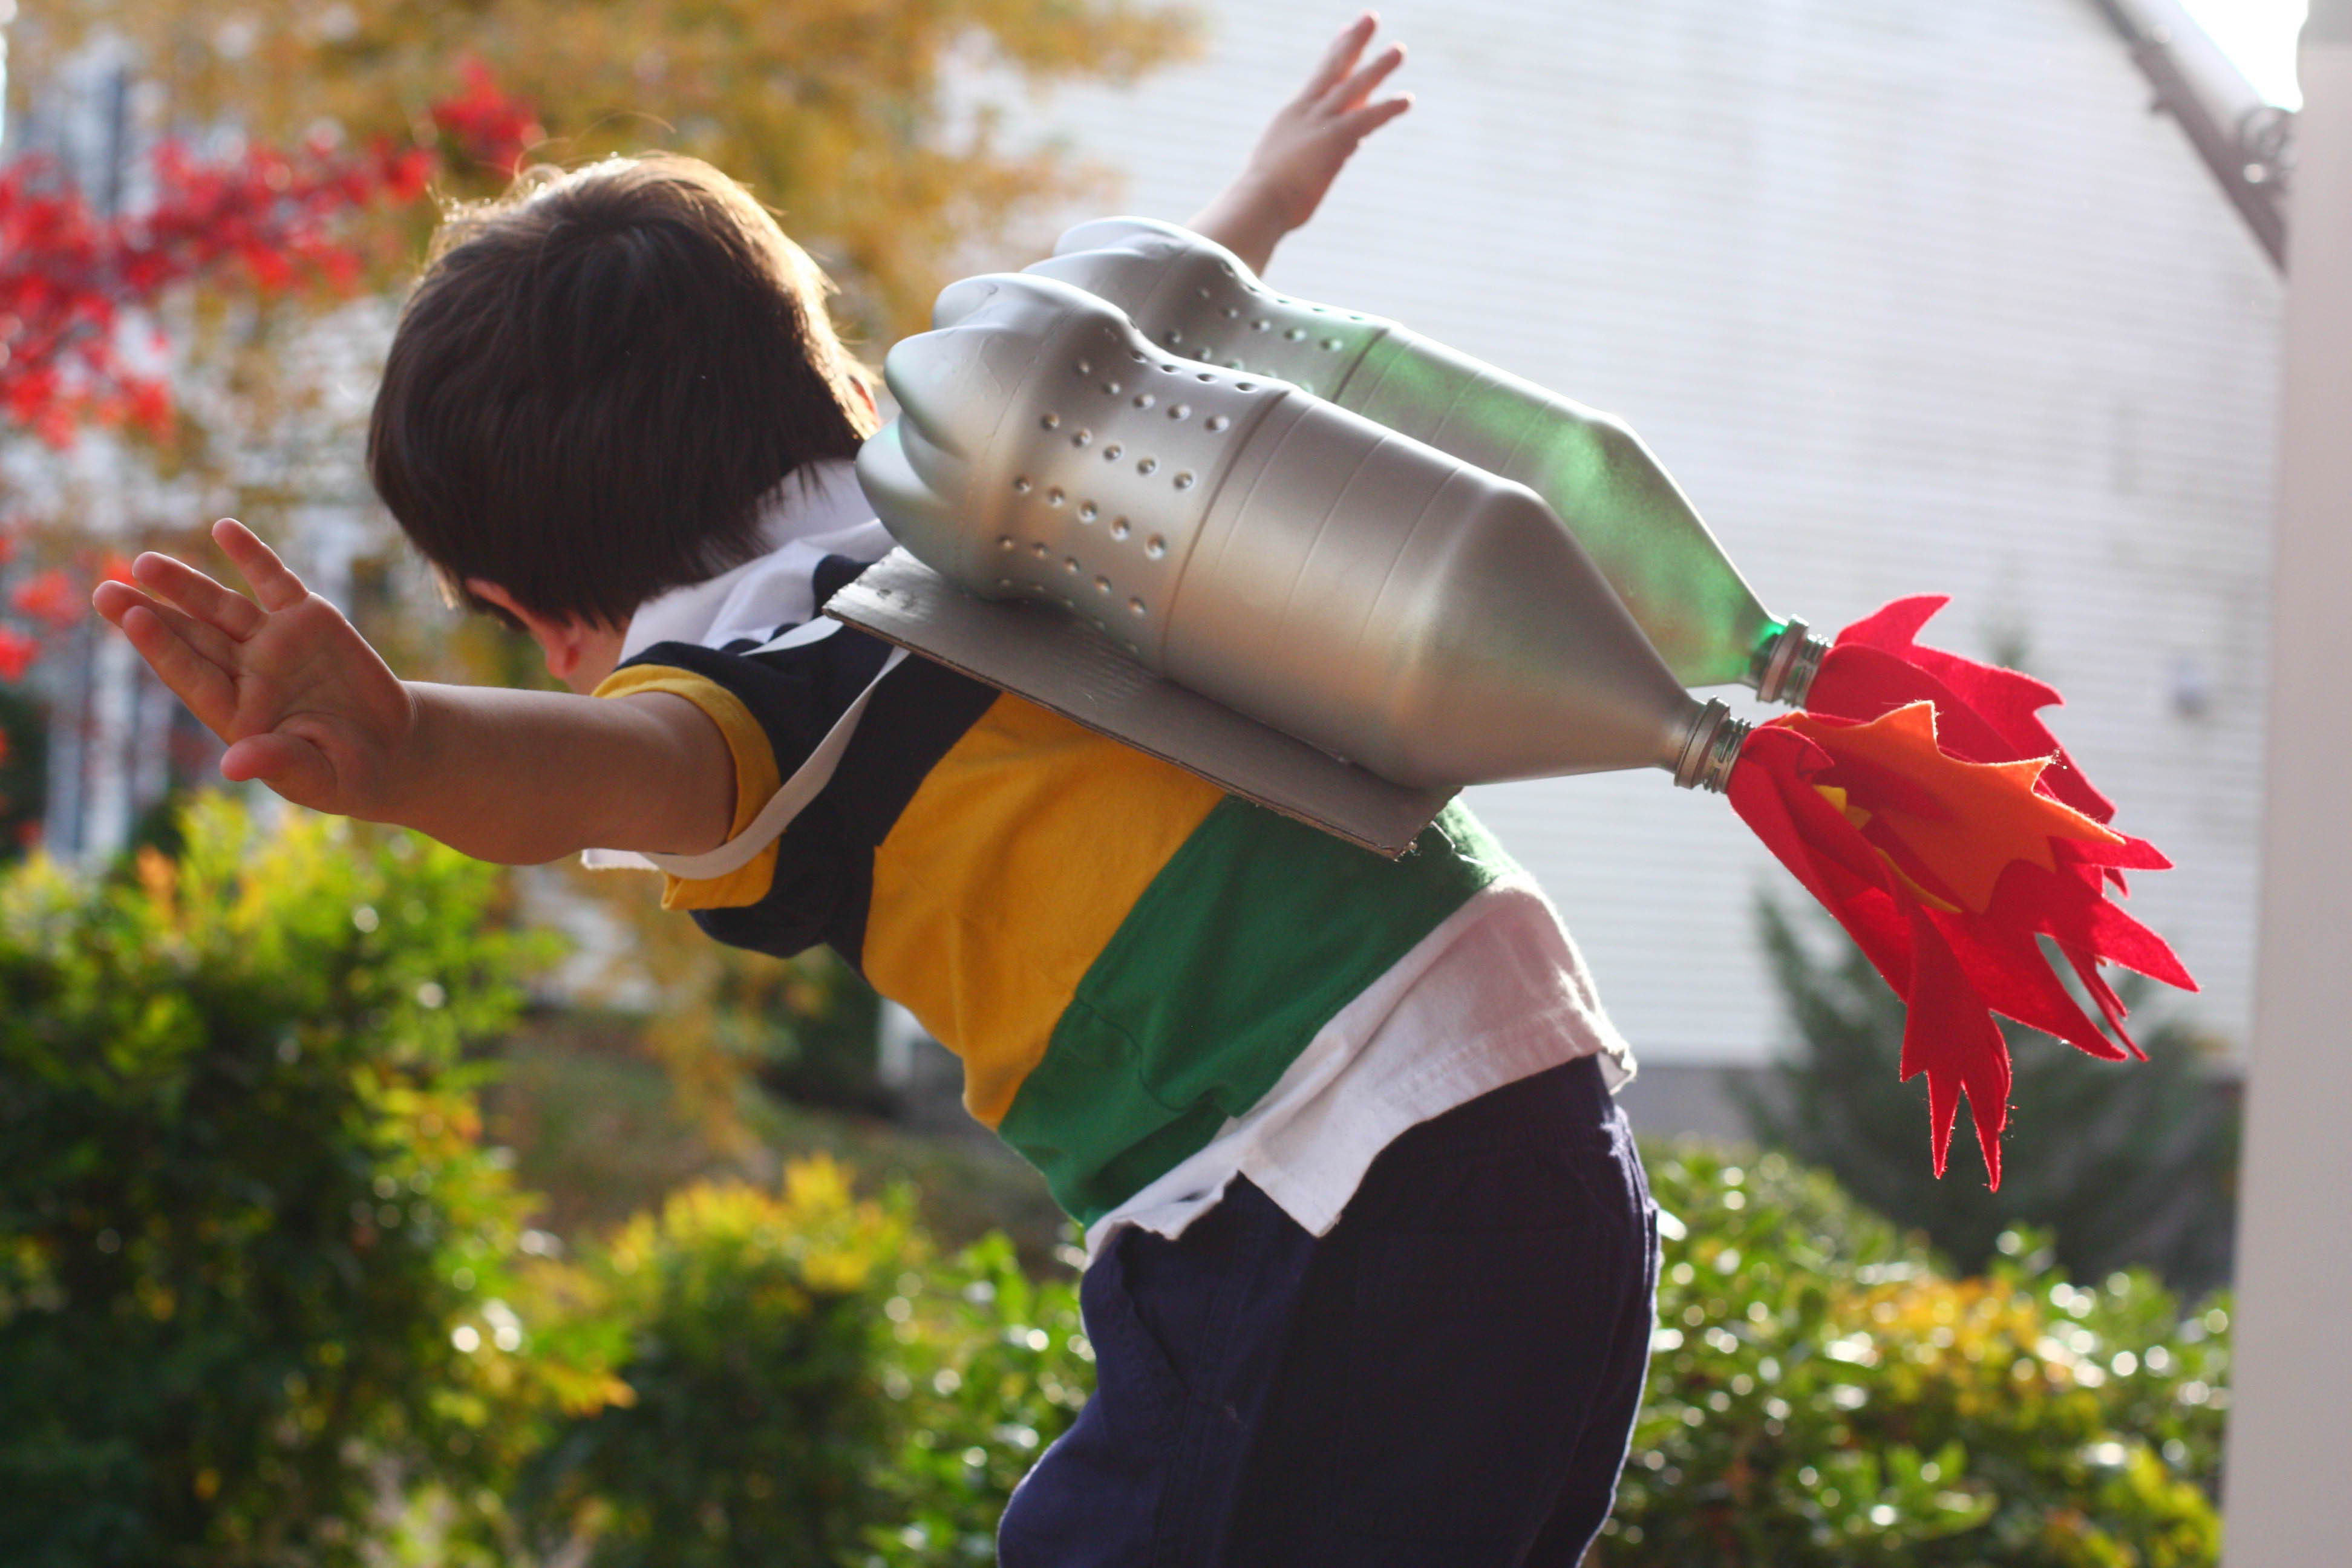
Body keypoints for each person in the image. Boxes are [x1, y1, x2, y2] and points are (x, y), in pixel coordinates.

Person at [94, 16, 1658, 1564]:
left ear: (541, 612)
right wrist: (1268, 188)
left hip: (1321, 1162)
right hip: (1540, 1089)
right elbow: (1145, 321)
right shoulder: (1002, 473)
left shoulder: (770, 676)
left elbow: (615, 777)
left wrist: (413, 753)